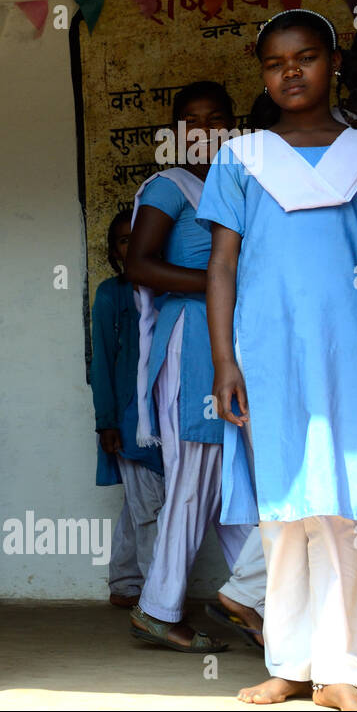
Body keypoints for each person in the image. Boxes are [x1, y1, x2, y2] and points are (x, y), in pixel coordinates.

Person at [200, 8, 357, 711]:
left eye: (307, 57)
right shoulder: (241, 158)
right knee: (283, 509)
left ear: (335, 64)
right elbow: (222, 267)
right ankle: (289, 662)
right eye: (274, 63)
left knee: (349, 508)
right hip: (266, 355)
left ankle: (342, 672)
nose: (290, 71)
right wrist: (224, 359)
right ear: (262, 75)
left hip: (351, 353)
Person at [126, 81, 253, 654]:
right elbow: (139, 265)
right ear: (174, 130)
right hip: (193, 337)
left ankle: (265, 603)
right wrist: (221, 285)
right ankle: (160, 606)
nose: (204, 131)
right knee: (196, 472)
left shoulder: (232, 186)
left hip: (225, 339)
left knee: (232, 481)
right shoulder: (168, 186)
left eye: (216, 120)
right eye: (191, 121)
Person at [91, 210, 164, 609]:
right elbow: (101, 362)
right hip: (129, 420)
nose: (131, 245)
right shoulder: (110, 294)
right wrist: (106, 422)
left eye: (139, 237)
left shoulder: (171, 294)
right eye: (122, 240)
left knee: (139, 505)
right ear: (114, 252)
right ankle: (156, 601)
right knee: (149, 509)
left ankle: (125, 582)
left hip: (168, 419)